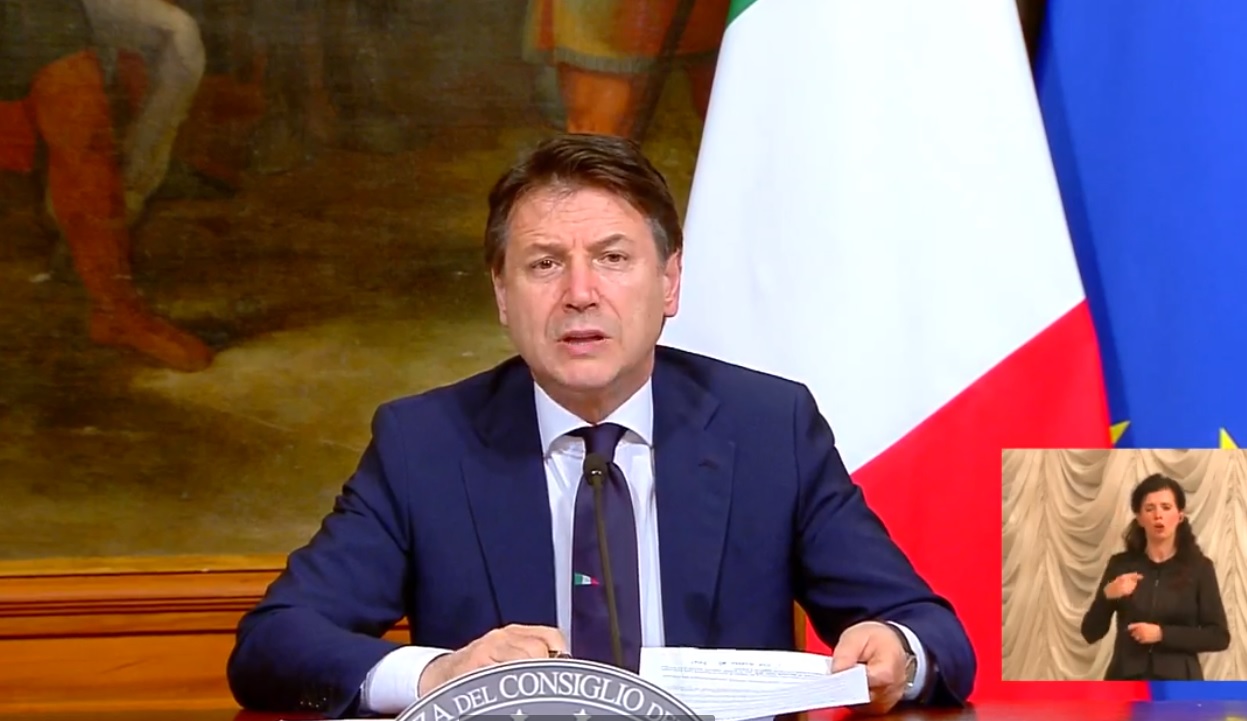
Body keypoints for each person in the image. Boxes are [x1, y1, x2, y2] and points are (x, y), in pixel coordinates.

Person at [225, 133, 976, 717]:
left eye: (613, 258)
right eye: (544, 264)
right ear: (501, 294)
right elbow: (273, 643)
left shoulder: (767, 429)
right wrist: (439, 673)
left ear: (669, 282)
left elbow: (930, 631)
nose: (580, 293)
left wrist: (897, 651)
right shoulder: (425, 445)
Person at [1080, 473, 1230, 680]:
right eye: (1149, 509)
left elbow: (1219, 637)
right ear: (1139, 518)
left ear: (1180, 515)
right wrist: (1107, 596)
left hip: (1179, 683)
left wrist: (1162, 634)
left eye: (1166, 507)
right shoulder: (1121, 565)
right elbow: (1090, 633)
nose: (1158, 515)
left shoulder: (1200, 568)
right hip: (1126, 681)